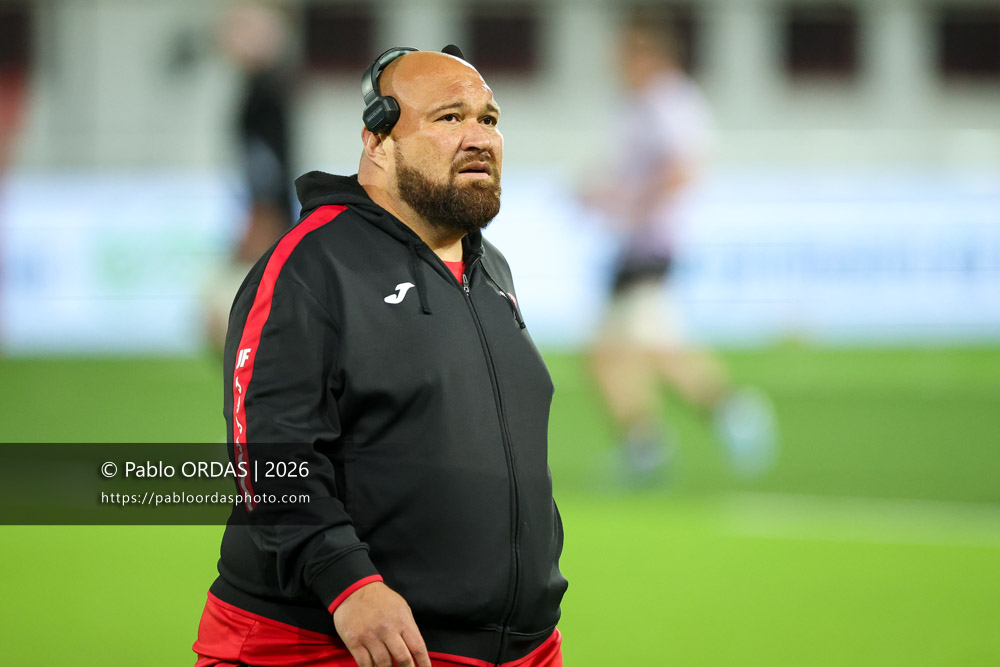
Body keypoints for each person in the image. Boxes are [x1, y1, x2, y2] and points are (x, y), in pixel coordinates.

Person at [193, 47, 567, 667]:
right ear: (377, 139)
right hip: (334, 645)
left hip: (515, 649)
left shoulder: (489, 268)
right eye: (449, 118)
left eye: (490, 120)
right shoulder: (312, 263)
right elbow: (267, 448)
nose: (479, 138)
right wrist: (347, 583)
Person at [581, 11, 777, 482]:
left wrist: (631, 202)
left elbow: (682, 168)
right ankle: (646, 444)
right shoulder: (639, 105)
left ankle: (728, 412)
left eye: (624, 53)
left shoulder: (668, 102)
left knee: (648, 348)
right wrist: (606, 195)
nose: (615, 64)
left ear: (646, 54)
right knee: (611, 352)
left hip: (653, 242)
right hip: (634, 242)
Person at [203, 3, 297, 352]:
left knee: (259, 269)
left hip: (265, 199)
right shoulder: (264, 90)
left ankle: (241, 337)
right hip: (263, 197)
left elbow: (265, 155)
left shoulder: (265, 93)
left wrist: (262, 204)